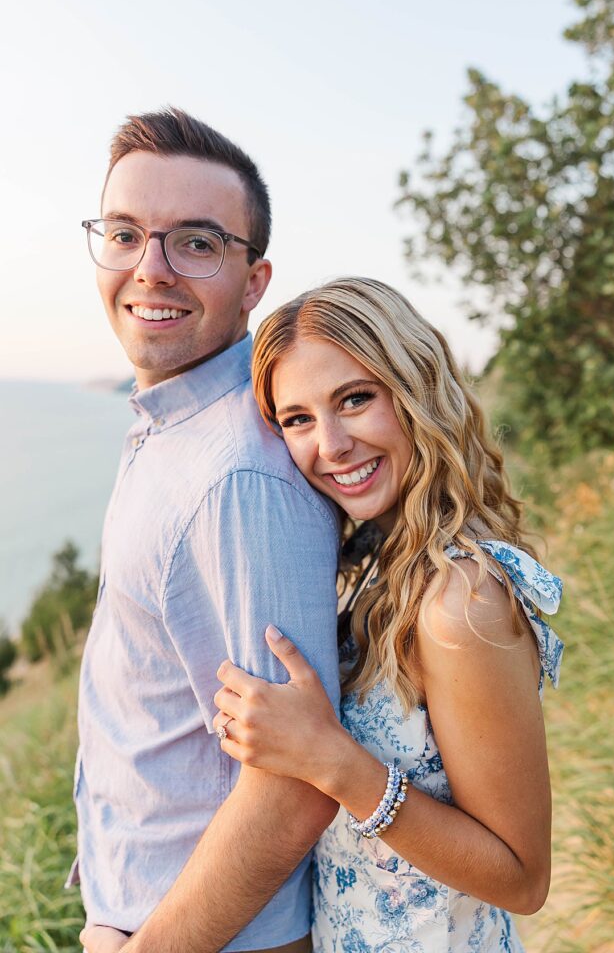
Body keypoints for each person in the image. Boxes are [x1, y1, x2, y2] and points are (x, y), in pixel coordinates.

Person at [213, 277, 564, 952]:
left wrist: (331, 761)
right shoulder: (370, 565)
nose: (332, 444)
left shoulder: (458, 603)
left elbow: (523, 879)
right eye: (297, 420)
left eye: (355, 399)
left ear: (415, 391)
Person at [72, 108, 343, 953]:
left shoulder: (238, 476)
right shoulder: (169, 424)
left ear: (254, 281)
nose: (148, 270)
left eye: (193, 242)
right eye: (124, 234)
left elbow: (295, 786)